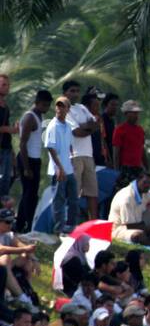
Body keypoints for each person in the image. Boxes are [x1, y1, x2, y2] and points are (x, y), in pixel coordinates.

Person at [62, 81, 99, 224]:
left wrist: (86, 127)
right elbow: (77, 133)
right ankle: (71, 223)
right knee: (73, 193)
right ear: (65, 93)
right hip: (74, 156)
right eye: (72, 91)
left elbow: (96, 123)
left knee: (92, 193)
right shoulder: (64, 110)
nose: (75, 94)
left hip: (88, 155)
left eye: (77, 91)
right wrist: (88, 127)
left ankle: (93, 224)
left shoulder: (82, 108)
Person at [15, 89, 51, 232]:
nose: (46, 108)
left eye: (48, 105)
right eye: (44, 105)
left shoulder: (39, 116)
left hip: (35, 159)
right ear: (36, 103)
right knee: (29, 195)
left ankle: (24, 224)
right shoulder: (30, 117)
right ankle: (25, 225)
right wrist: (26, 167)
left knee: (31, 194)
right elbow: (22, 143)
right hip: (27, 159)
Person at [107, 170, 150, 245]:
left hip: (139, 222)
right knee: (138, 235)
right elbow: (129, 225)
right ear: (138, 180)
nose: (148, 185)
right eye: (145, 182)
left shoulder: (145, 192)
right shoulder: (127, 198)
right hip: (121, 228)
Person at [43, 96, 78, 233]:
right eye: (58, 105)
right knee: (59, 200)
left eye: (63, 106)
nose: (59, 108)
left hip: (68, 169)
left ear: (68, 109)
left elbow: (69, 146)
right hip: (58, 170)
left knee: (73, 199)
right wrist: (59, 168)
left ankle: (71, 226)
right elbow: (50, 148)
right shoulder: (53, 125)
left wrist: (71, 160)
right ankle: (59, 229)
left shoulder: (68, 125)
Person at [111, 100, 147, 185]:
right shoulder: (120, 129)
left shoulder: (140, 130)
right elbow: (116, 152)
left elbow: (142, 150)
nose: (136, 115)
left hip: (138, 168)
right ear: (126, 113)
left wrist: (147, 168)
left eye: (137, 113)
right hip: (125, 168)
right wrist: (116, 172)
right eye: (133, 113)